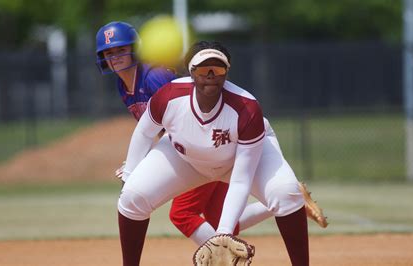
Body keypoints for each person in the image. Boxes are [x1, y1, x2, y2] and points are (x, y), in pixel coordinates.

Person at [118, 40, 311, 265]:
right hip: (186, 158)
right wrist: (129, 175)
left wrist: (223, 234)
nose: (210, 74)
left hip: (237, 159)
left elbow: (241, 180)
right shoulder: (170, 96)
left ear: (227, 73)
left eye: (217, 68)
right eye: (202, 68)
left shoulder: (246, 108)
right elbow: (144, 132)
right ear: (191, 72)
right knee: (132, 198)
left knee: (286, 193)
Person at [95, 21, 279, 245]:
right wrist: (137, 160)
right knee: (220, 219)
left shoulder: (154, 77)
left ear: (136, 48)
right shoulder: (122, 85)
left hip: (205, 144)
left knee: (182, 214)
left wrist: (141, 164)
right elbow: (155, 130)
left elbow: (186, 113)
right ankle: (282, 202)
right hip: (187, 147)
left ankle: (221, 255)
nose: (114, 56)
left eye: (121, 49)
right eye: (108, 52)